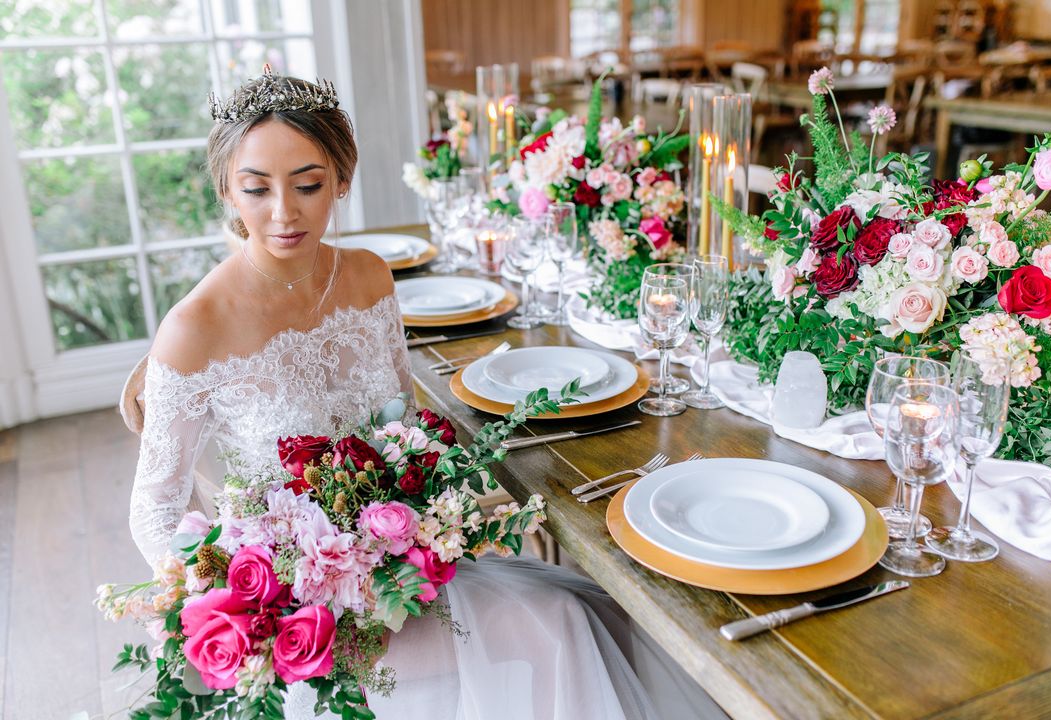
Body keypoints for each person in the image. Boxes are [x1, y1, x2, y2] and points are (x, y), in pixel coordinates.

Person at [127, 68, 722, 720]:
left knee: (593, 612)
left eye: (308, 184)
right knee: (561, 622)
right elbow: (154, 507)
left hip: (402, 577)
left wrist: (418, 533)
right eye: (256, 188)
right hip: (307, 628)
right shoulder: (196, 326)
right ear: (225, 189)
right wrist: (237, 601)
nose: (284, 212)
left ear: (342, 179)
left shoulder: (367, 276)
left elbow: (403, 431)